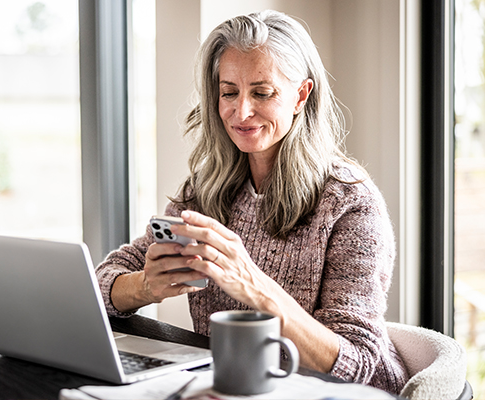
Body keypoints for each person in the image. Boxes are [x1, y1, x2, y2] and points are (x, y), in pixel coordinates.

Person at [96, 10, 408, 394]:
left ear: (300, 95)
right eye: (229, 92)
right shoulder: (207, 190)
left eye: (262, 92)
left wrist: (252, 285)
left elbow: (355, 363)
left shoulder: (350, 205)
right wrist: (145, 286)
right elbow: (103, 280)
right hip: (236, 386)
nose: (241, 112)